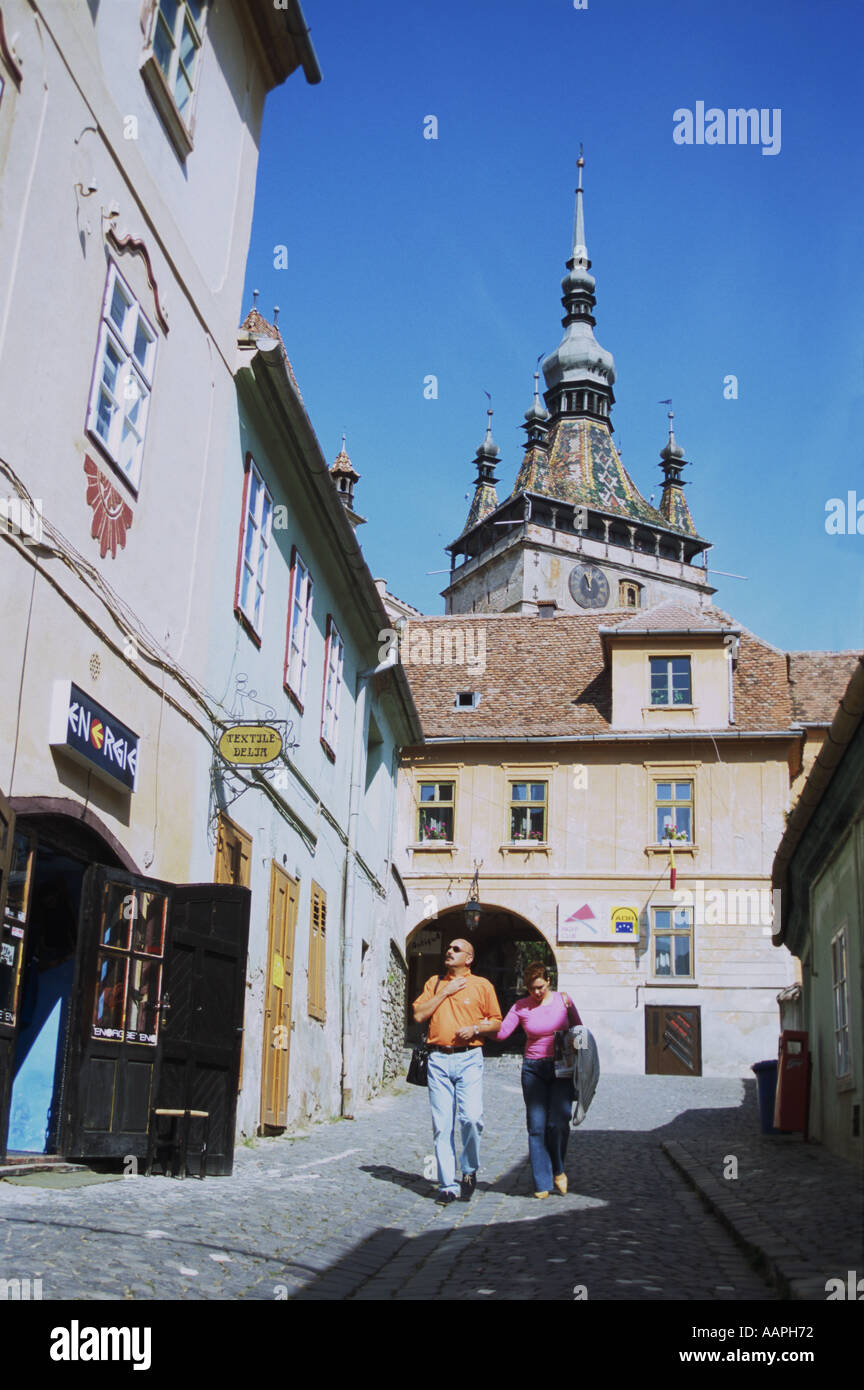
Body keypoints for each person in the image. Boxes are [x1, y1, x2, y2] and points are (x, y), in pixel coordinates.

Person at [412, 937, 502, 1205]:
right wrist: (445, 992)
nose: (449, 952)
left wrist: (475, 1029)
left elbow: (497, 1023)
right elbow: (419, 1015)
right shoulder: (434, 983)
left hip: (469, 1058)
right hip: (438, 1059)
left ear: (469, 959)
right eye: (449, 948)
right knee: (442, 1126)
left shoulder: (482, 986)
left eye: (456, 949)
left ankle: (469, 1169)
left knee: (471, 1119)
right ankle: (448, 1185)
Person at [496, 963, 582, 1198]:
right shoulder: (520, 1007)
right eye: (532, 988)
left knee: (558, 1122)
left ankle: (558, 1168)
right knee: (536, 1126)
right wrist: (479, 1024)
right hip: (533, 1069)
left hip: (561, 1069)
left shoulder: (563, 1001)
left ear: (548, 981)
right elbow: (502, 1033)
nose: (537, 992)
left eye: (541, 987)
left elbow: (579, 1029)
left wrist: (581, 1057)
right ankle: (542, 1182)